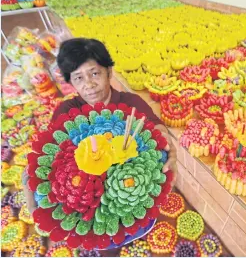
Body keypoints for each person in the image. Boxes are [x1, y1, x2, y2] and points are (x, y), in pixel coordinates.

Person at [23, 38, 177, 214]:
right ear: (71, 83)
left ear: (109, 72)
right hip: (90, 203)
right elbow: (54, 154)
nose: (89, 84)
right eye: (79, 78)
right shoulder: (66, 112)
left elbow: (156, 128)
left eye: (95, 74)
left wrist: (166, 143)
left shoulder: (131, 102)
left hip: (129, 194)